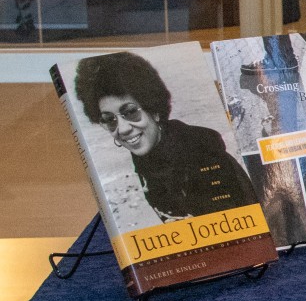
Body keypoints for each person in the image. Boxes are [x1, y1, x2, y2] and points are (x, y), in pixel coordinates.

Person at [74, 51, 259, 222]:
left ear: (154, 110)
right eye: (109, 119)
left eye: (130, 112)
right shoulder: (151, 152)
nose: (122, 129)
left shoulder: (199, 157)